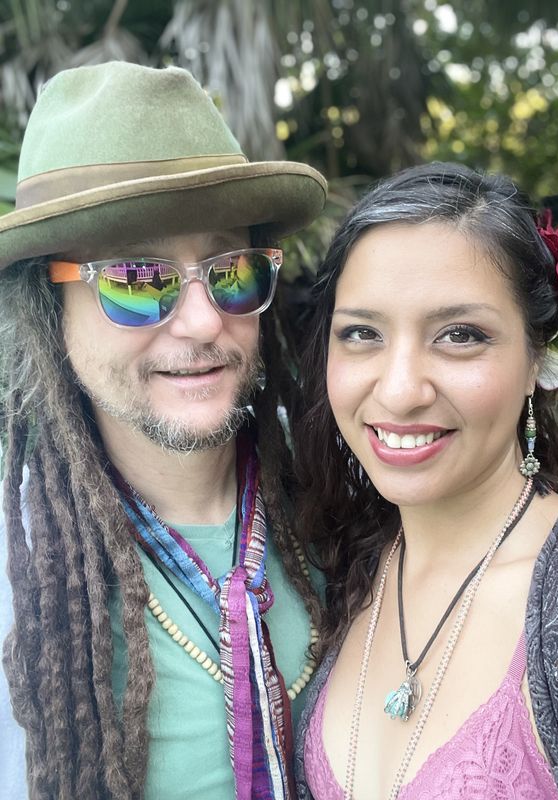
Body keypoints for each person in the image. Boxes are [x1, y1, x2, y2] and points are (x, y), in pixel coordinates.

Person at [0, 61, 327, 800]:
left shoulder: (344, 486)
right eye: (137, 280)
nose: (204, 322)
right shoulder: (20, 564)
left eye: (231, 269)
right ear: (50, 309)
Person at [293, 163, 558, 799]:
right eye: (363, 333)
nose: (400, 391)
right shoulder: (340, 565)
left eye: (460, 335)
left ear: (538, 355)